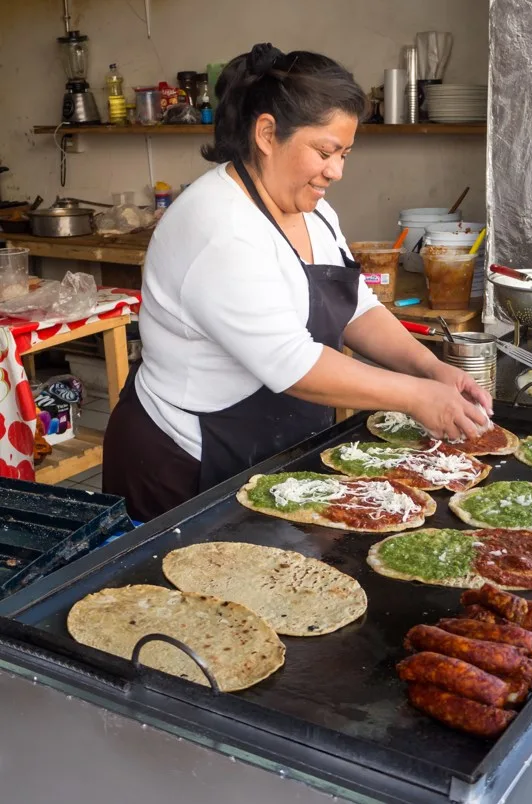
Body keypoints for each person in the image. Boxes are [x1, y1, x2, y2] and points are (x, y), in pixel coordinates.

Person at [102, 43, 492, 523]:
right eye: (325, 152)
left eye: (344, 154)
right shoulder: (219, 227)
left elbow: (356, 306)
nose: (337, 171)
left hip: (273, 454)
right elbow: (291, 363)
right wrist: (415, 396)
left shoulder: (314, 210)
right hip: (185, 466)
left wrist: (429, 368)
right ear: (267, 133)